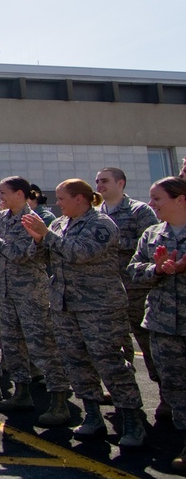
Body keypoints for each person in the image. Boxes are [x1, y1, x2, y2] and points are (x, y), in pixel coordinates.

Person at [22, 178, 146, 448]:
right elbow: (39, 258)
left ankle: (133, 421)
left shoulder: (101, 224)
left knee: (110, 364)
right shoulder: (58, 225)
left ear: (80, 198)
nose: (57, 203)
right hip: (65, 306)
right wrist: (39, 240)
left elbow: (80, 253)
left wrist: (48, 236)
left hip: (99, 306)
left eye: (62, 198)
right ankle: (92, 417)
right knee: (76, 364)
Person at [0, 176, 70, 425]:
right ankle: (21, 394)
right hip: (7, 293)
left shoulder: (36, 220)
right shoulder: (1, 218)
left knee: (42, 347)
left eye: (4, 193)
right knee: (11, 346)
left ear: (20, 194)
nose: (0, 198)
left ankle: (59, 402)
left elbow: (21, 255)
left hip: (31, 294)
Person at [127, 176, 186, 471]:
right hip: (163, 324)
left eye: (157, 198)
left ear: (180, 199)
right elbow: (134, 270)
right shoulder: (152, 234)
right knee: (175, 386)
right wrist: (158, 269)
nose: (152, 204)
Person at [95, 166, 163, 418]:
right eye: (97, 181)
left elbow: (152, 245)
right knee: (116, 343)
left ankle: (166, 395)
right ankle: (122, 390)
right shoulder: (95, 214)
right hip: (108, 289)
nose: (99, 185)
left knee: (148, 345)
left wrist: (111, 243)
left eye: (105, 181)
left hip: (137, 288)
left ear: (120, 183)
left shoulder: (139, 211)